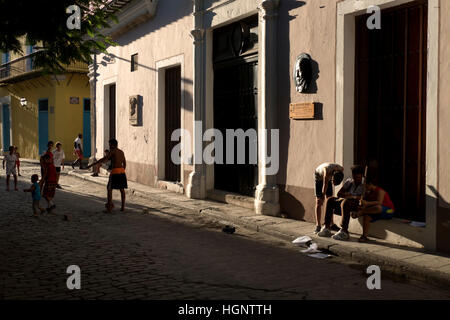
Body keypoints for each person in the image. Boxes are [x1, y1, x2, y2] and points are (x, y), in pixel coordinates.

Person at [318, 165, 365, 241]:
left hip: (356, 204)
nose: (356, 179)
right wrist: (346, 195)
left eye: (358, 178)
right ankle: (327, 227)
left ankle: (344, 231)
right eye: (355, 177)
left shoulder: (364, 184)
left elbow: (362, 198)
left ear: (362, 176)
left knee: (345, 202)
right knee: (330, 199)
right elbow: (339, 194)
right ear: (352, 175)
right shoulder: (349, 182)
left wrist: (352, 197)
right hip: (345, 201)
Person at [352, 170, 395, 243]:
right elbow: (367, 205)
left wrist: (366, 205)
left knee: (378, 207)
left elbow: (379, 202)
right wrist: (362, 205)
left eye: (366, 186)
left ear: (370, 184)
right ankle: (364, 236)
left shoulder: (380, 191)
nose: (365, 188)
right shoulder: (369, 193)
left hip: (390, 211)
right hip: (378, 212)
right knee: (367, 216)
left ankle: (361, 213)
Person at [86, 139, 127, 213]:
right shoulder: (121, 152)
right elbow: (124, 163)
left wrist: (92, 164)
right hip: (122, 171)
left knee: (109, 189)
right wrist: (122, 170)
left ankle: (109, 208)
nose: (109, 146)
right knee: (122, 189)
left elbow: (105, 159)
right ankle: (123, 207)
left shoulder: (113, 151)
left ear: (113, 145)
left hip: (115, 172)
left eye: (110, 144)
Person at [313, 162, 344, 233]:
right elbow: (325, 185)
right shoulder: (326, 172)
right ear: (332, 177)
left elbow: (328, 183)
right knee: (319, 201)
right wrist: (322, 196)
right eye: (333, 181)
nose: (333, 183)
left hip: (329, 177)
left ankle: (331, 223)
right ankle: (318, 225)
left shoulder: (341, 169)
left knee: (330, 201)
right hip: (319, 177)